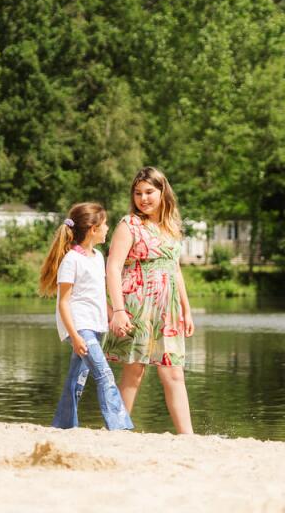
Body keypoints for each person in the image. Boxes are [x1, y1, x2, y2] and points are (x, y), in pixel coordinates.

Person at [103, 166, 195, 434]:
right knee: (134, 371)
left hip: (168, 309)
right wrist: (117, 310)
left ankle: (188, 437)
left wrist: (186, 311)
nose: (143, 198)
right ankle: (117, 430)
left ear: (162, 191)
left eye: (149, 192)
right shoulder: (129, 224)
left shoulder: (172, 227)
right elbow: (113, 268)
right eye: (138, 193)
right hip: (137, 305)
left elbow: (175, 269)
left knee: (173, 371)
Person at [39, 202, 133, 431]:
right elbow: (63, 302)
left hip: (96, 324)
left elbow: (97, 293)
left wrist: (114, 316)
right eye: (105, 224)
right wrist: (75, 336)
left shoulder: (97, 256)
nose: (108, 228)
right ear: (93, 229)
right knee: (104, 374)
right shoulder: (71, 260)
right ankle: (120, 426)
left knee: (77, 378)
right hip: (79, 327)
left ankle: (63, 425)